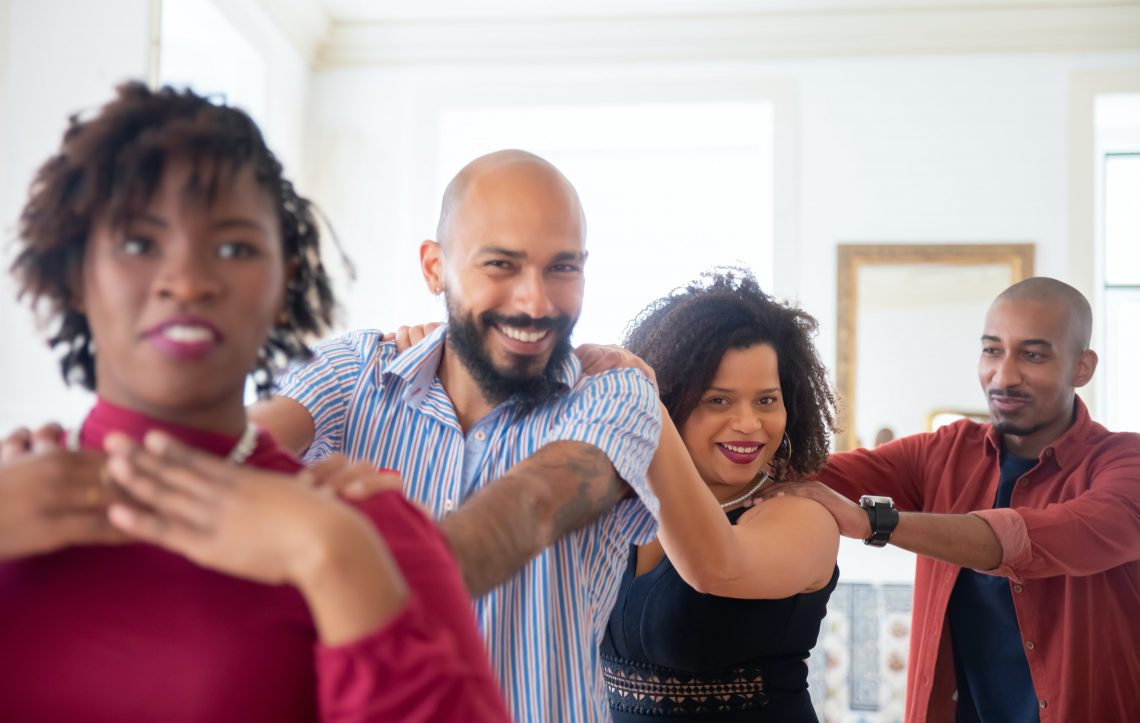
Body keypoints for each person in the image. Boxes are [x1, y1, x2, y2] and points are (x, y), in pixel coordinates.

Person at [0, 82, 509, 722]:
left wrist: (333, 559)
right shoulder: (10, 507)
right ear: (76, 272)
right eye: (138, 243)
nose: (187, 282)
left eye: (235, 247)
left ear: (283, 279)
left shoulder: (365, 532)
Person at [251, 149, 662, 722]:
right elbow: (238, 451)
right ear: (434, 268)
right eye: (501, 265)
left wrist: (346, 564)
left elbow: (535, 507)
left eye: (562, 268)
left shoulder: (616, 393)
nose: (536, 301)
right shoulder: (352, 373)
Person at [761, 277, 1140, 722]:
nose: (1004, 375)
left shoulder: (1125, 463)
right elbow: (812, 473)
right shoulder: (944, 452)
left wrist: (876, 522)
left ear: (1083, 367)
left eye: (1033, 355)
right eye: (992, 350)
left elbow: (1043, 537)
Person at [575, 270, 839, 721]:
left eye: (766, 401)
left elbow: (716, 568)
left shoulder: (802, 517)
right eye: (718, 400)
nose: (749, 424)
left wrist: (640, 405)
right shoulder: (615, 503)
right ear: (677, 399)